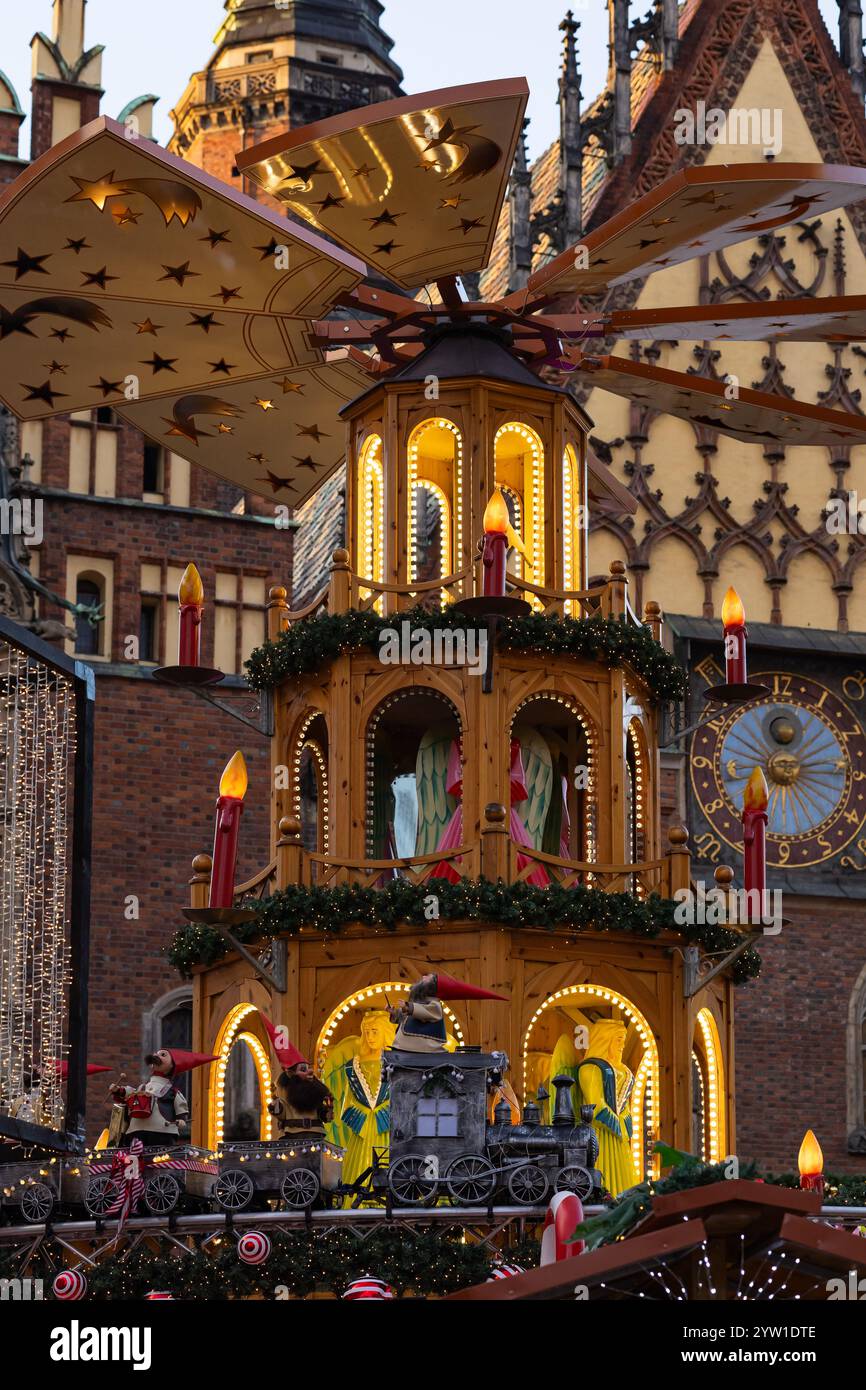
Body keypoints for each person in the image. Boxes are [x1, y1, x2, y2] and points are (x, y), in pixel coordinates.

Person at [577, 1019, 638, 1198]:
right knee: (604, 1174)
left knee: (622, 1179)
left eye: (624, 1040)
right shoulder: (590, 1068)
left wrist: (625, 1126)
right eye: (618, 1039)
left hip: (619, 1137)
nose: (622, 1045)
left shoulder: (624, 1070)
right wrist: (619, 1127)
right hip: (599, 1135)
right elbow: (596, 1106)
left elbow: (625, 1105)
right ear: (605, 1039)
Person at [106, 1048, 216, 1148]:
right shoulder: (143, 1087)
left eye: (163, 1055)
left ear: (172, 1065)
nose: (156, 1056)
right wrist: (119, 1090)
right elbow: (131, 1094)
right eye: (156, 1053)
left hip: (161, 1132)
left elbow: (180, 1107)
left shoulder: (172, 1091)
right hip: (137, 1130)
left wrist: (181, 1119)